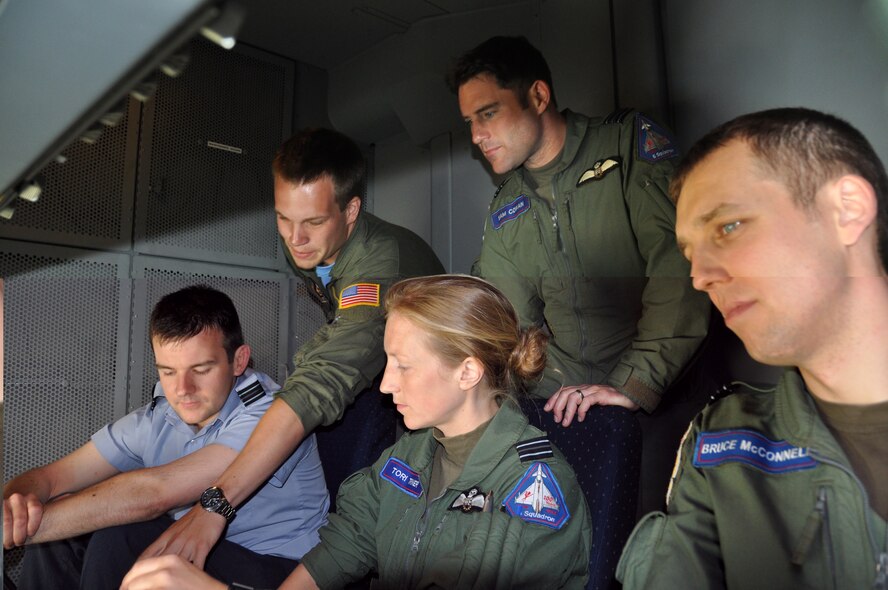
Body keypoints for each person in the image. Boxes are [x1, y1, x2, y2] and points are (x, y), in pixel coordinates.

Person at [122, 275, 592, 590]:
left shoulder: (532, 491)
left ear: (467, 372)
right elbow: (335, 554)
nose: (386, 385)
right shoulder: (405, 462)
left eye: (403, 366)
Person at [447, 34, 711, 556]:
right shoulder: (508, 210)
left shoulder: (628, 149)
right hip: (569, 404)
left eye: (489, 114)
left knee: (649, 551)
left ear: (539, 97)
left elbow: (679, 273)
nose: (477, 135)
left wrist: (632, 385)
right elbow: (507, 326)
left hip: (662, 392)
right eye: (470, 123)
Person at [140, 128, 444, 567]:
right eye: (284, 218)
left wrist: (216, 505)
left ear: (351, 210)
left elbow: (332, 369)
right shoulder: (309, 247)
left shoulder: (381, 265)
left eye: (313, 222)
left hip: (430, 382)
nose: (295, 239)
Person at [617, 107, 888, 589]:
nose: (700, 276)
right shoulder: (721, 445)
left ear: (846, 210)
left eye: (728, 227)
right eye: (689, 253)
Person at [2, 285, 329, 590]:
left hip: (281, 570)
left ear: (238, 360)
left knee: (123, 534)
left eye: (201, 369)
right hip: (200, 547)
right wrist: (17, 506)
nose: (182, 389)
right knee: (61, 539)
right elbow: (51, 477)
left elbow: (154, 493)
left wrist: (28, 528)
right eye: (168, 372)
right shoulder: (159, 417)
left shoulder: (271, 413)